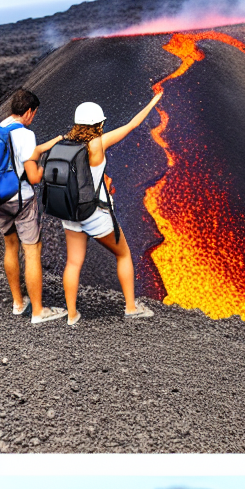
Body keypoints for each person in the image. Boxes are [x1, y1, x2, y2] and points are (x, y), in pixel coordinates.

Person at [58, 95, 162, 326]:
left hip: (70, 212)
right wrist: (153, 102)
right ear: (98, 124)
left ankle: (72, 315)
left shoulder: (64, 144)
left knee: (73, 263)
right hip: (95, 214)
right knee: (123, 255)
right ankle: (131, 308)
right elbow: (132, 124)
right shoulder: (98, 143)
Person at [0, 89, 66, 324]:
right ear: (29, 112)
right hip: (21, 199)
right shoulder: (26, 135)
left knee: (10, 246)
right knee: (32, 251)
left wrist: (47, 145)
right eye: (34, 113)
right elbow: (33, 177)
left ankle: (18, 303)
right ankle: (38, 311)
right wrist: (48, 167)